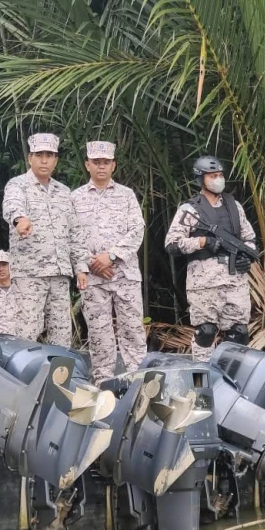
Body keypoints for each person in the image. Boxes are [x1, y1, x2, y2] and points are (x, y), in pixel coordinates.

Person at [165, 155, 257, 361]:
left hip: (235, 282)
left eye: (220, 175)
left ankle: (231, 375)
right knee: (205, 333)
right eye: (212, 176)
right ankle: (202, 377)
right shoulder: (190, 209)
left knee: (239, 333)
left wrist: (246, 257)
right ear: (201, 179)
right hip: (204, 283)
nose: (218, 179)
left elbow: (250, 239)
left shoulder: (234, 206)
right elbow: (172, 244)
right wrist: (202, 242)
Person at [71, 141, 147, 383]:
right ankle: (103, 383)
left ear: (113, 165)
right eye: (96, 162)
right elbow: (71, 236)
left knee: (133, 330)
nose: (101, 166)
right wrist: (90, 263)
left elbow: (137, 230)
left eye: (106, 162)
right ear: (87, 165)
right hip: (93, 280)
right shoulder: (75, 198)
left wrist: (111, 256)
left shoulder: (126, 195)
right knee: (99, 334)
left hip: (125, 275)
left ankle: (138, 382)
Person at [2, 133, 74, 347]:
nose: (44, 160)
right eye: (39, 155)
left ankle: (60, 370)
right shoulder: (17, 185)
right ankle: (22, 370)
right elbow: (12, 206)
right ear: (30, 158)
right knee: (26, 333)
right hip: (30, 274)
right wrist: (19, 219)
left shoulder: (64, 192)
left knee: (62, 336)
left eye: (49, 155)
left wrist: (80, 267)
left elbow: (75, 232)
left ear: (56, 160)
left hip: (59, 274)